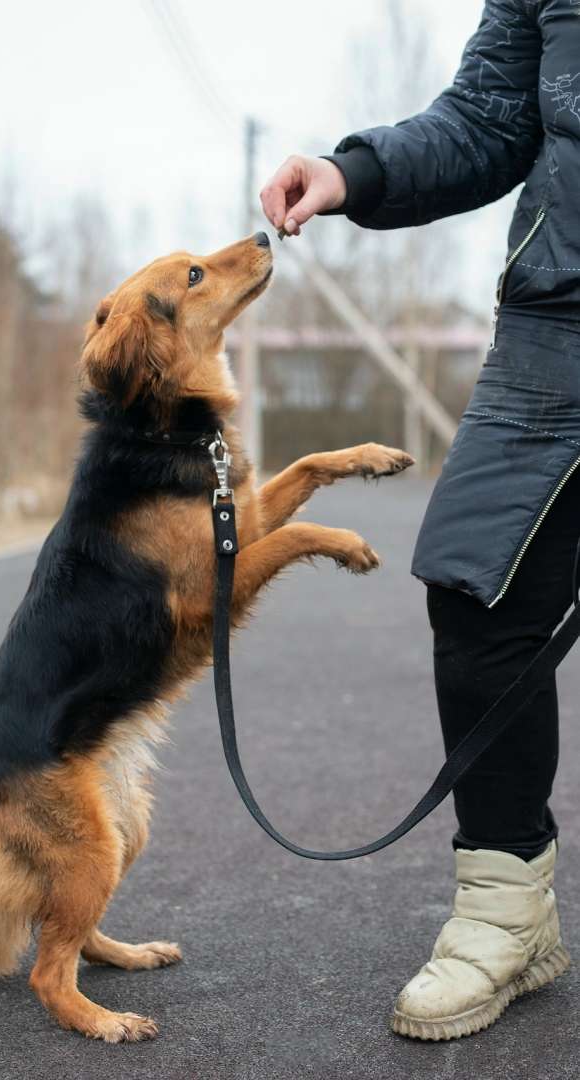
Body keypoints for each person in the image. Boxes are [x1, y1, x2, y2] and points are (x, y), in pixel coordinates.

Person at [260, 0, 579, 1042]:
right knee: (472, 578)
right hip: (558, 314)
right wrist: (356, 173)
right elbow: (490, 116)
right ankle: (506, 918)